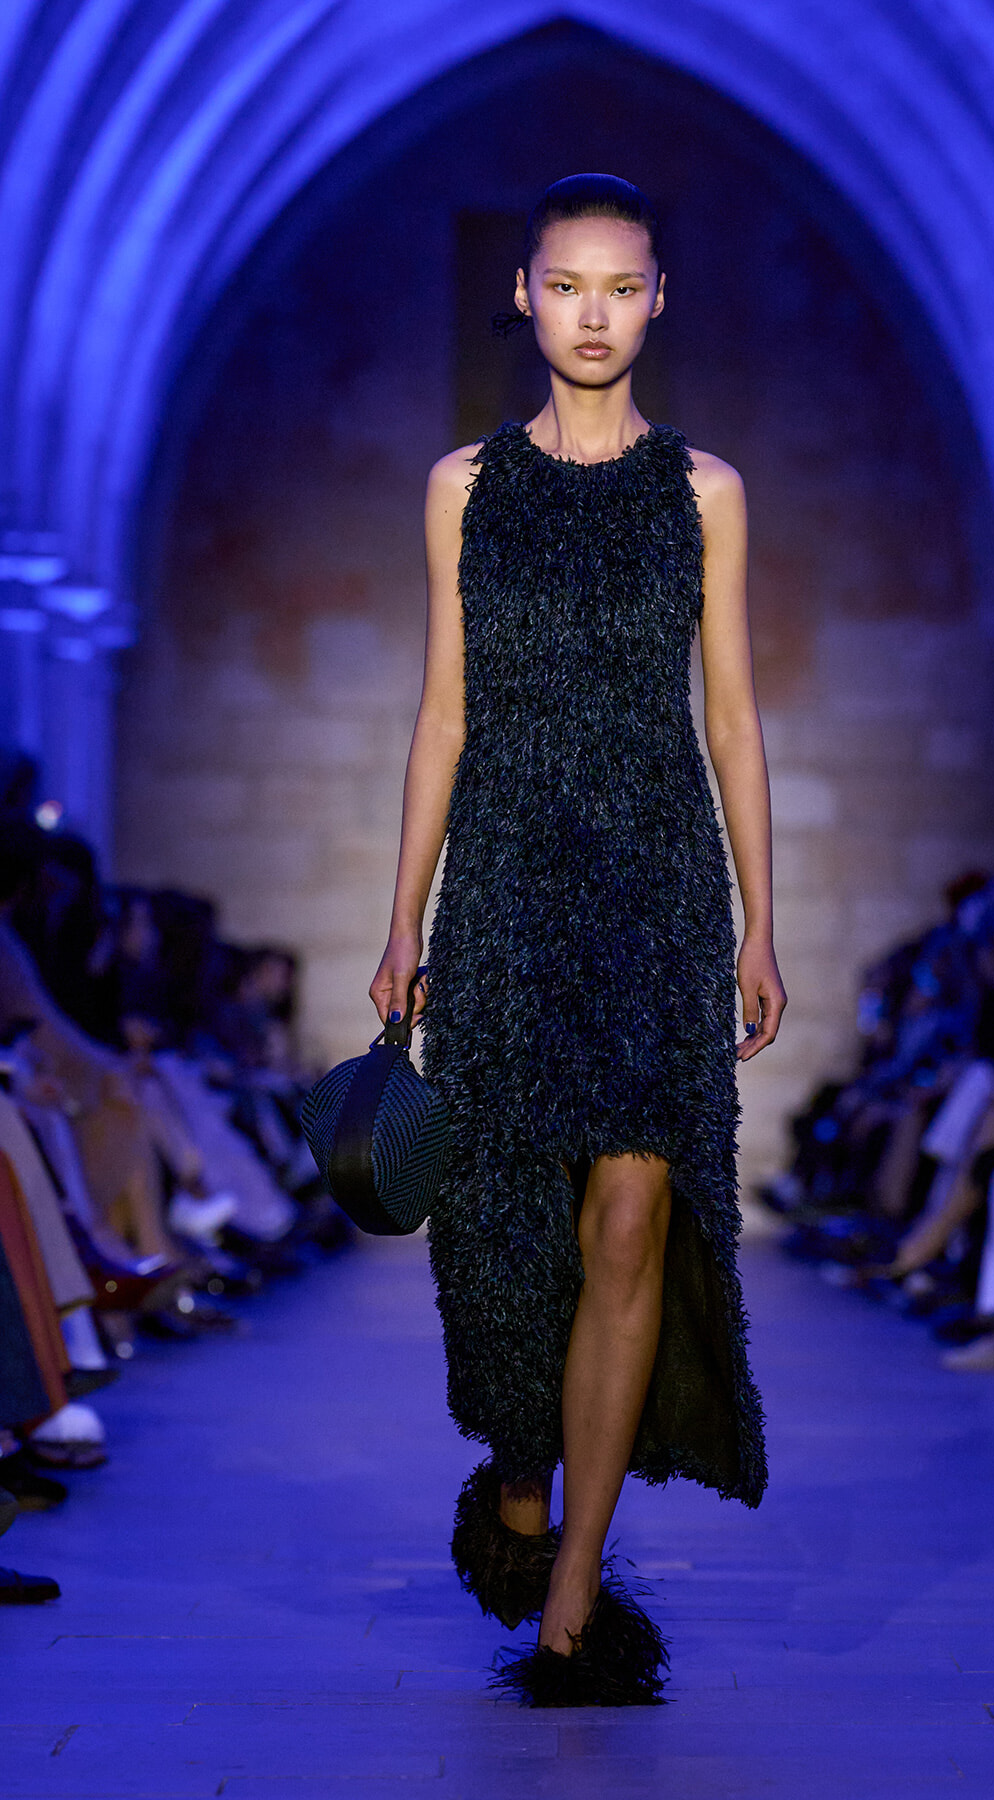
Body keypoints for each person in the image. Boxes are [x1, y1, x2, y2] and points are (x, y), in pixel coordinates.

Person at [369, 174, 785, 1705]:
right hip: (508, 887)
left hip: (658, 894)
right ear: (525, 297)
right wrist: (403, 917)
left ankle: (571, 1602)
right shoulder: (462, 488)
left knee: (630, 1223)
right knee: (505, 1230)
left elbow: (731, 716)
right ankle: (521, 1477)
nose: (594, 313)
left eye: (622, 286)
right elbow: (444, 713)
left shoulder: (707, 493)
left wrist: (761, 923)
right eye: (567, 284)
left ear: (659, 297)